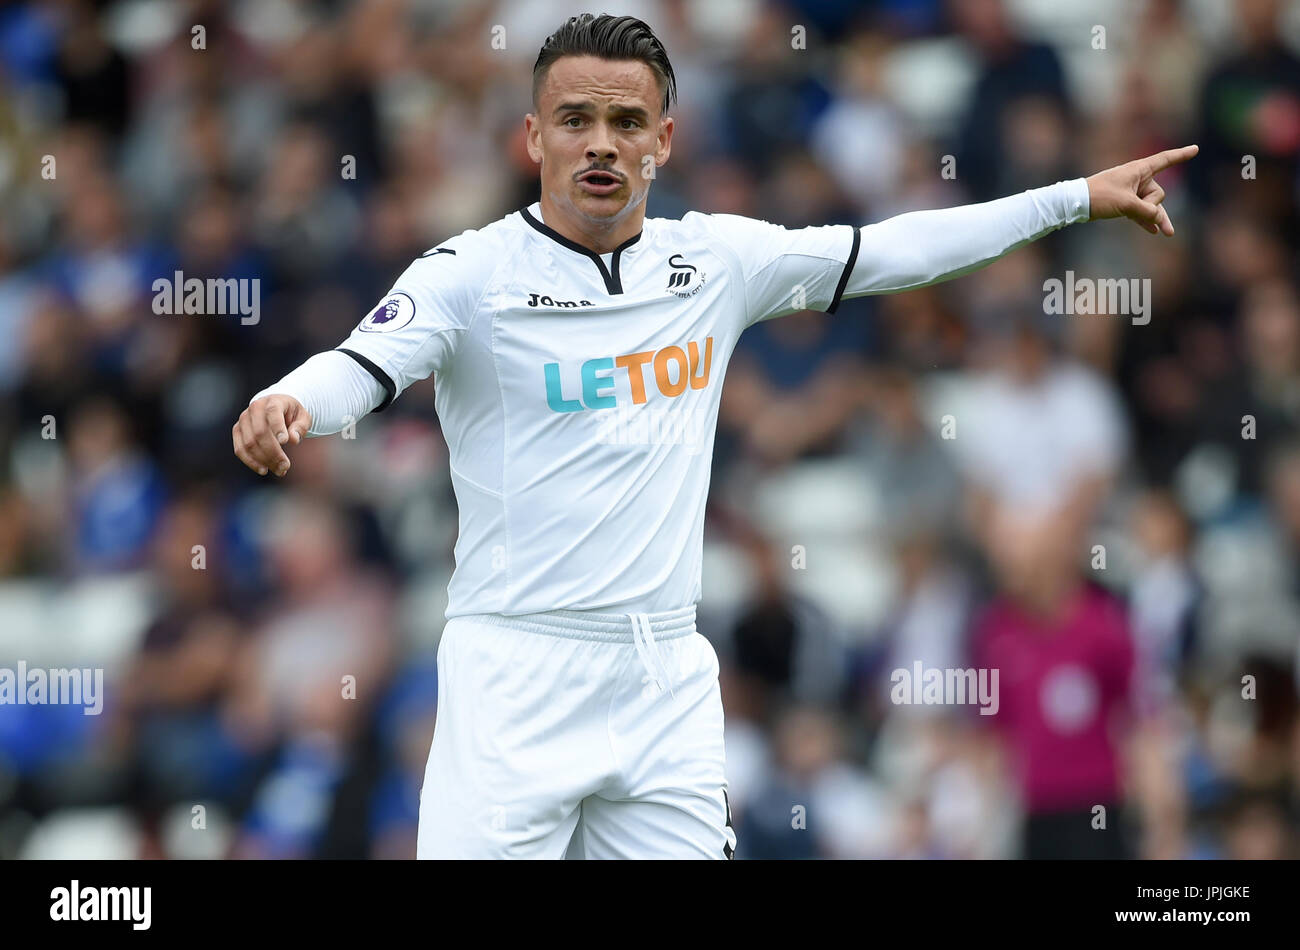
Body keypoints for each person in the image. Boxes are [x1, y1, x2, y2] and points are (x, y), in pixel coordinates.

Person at [231, 13, 1197, 859]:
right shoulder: (470, 274)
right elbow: (366, 362)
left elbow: (897, 250)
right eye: (575, 120)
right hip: (512, 677)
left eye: (625, 121)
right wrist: (294, 405)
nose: (600, 144)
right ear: (533, 137)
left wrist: (1072, 196)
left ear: (664, 138)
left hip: (664, 677)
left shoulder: (716, 261)